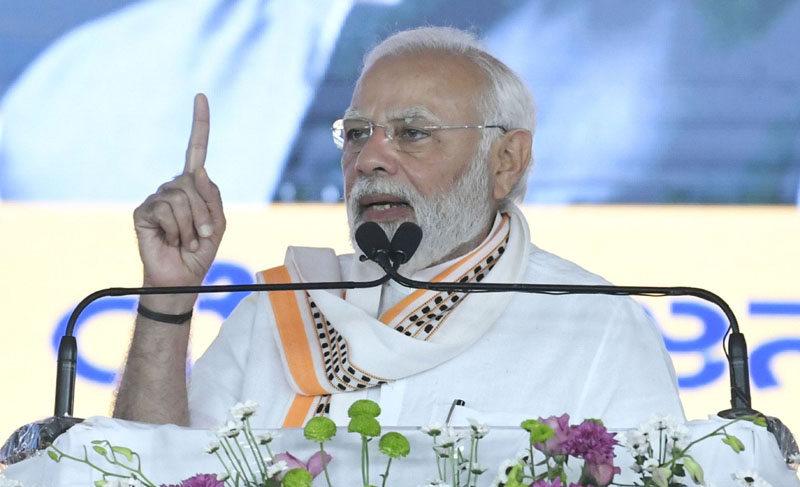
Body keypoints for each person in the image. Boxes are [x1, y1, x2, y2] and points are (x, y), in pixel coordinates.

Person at [113, 27, 684, 429]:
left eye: (411, 132)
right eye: (358, 132)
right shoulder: (281, 308)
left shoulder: (592, 322)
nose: (369, 160)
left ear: (505, 160)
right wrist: (167, 299)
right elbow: (151, 469)